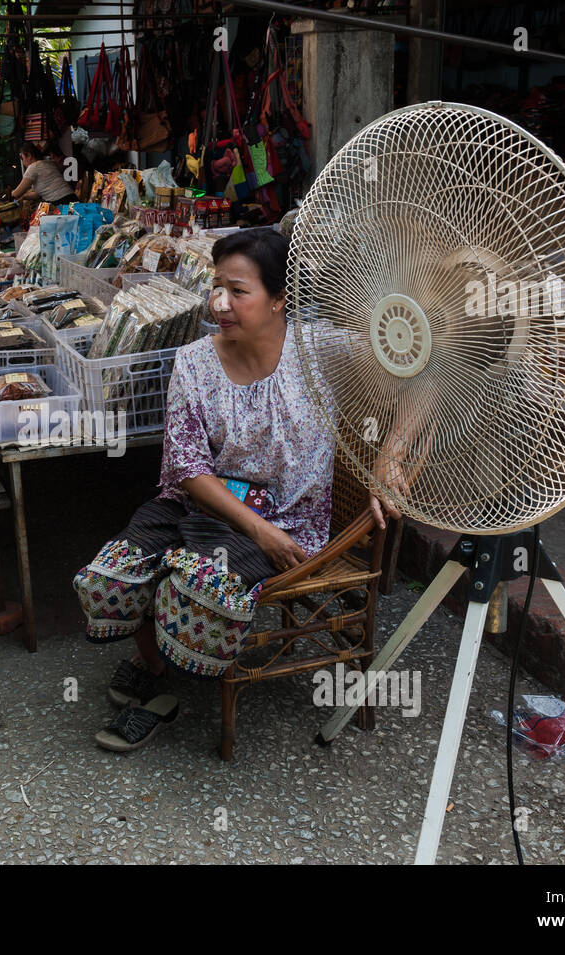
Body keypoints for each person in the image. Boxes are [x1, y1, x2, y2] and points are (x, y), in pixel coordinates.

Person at [72, 228, 399, 752]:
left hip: (289, 521)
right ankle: (154, 667)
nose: (220, 302)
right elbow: (186, 467)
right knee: (110, 574)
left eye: (239, 290)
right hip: (204, 505)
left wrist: (391, 462)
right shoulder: (194, 362)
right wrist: (254, 528)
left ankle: (163, 699)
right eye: (216, 287)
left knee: (196, 591)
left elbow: (419, 376)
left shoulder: (326, 353)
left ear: (279, 300)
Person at [10, 142, 77, 205]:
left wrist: (8, 195)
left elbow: (16, 194)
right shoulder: (47, 163)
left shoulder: (33, 167)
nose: (23, 162)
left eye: (22, 158)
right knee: (75, 217)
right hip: (71, 200)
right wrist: (24, 196)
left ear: (29, 156)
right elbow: (38, 194)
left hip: (62, 203)